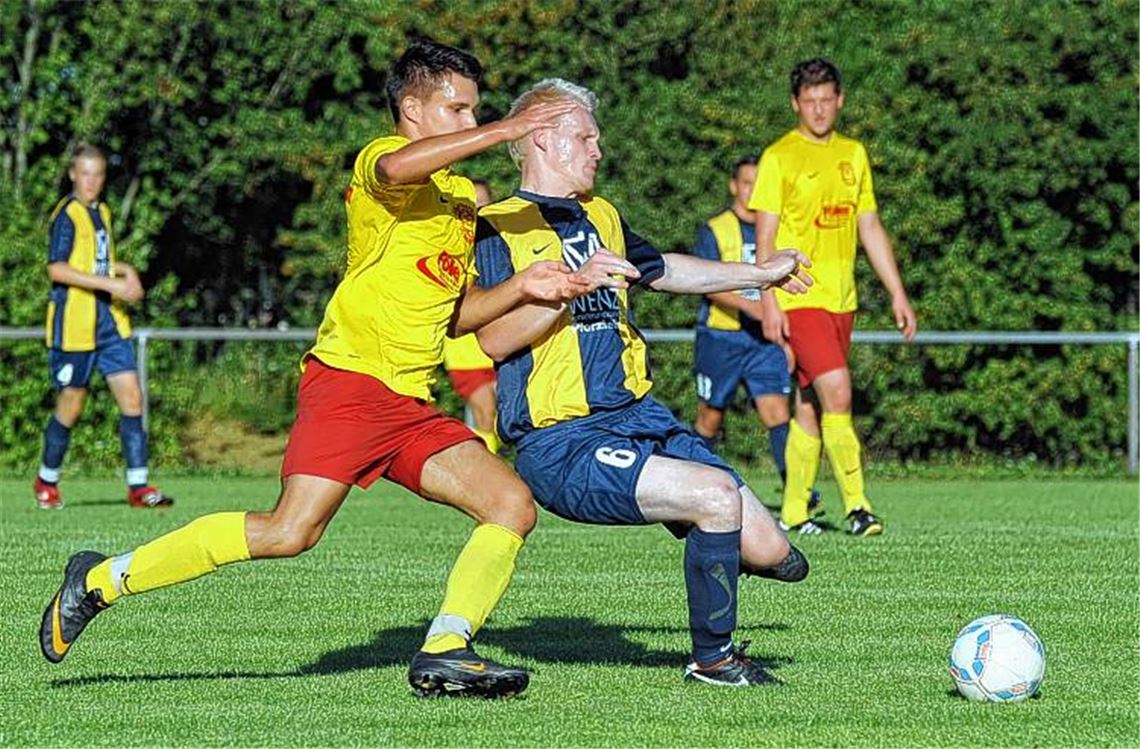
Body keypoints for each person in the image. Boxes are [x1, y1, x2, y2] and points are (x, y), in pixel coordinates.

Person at [39, 40, 591, 700]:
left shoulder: (458, 205)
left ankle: (446, 646)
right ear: (411, 108)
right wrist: (510, 128)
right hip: (352, 382)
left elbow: (458, 314)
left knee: (509, 504)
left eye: (478, 111)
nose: (473, 123)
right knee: (288, 531)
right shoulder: (382, 164)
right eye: (458, 108)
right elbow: (401, 165)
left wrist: (530, 286)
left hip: (410, 402)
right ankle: (99, 580)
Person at [474, 79, 814, 687]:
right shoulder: (496, 227)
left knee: (775, 555)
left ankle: (696, 521)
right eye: (585, 136)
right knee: (715, 497)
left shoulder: (602, 214)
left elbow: (664, 271)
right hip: (563, 441)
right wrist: (573, 286)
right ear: (543, 140)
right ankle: (714, 661)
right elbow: (491, 340)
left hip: (641, 418)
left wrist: (759, 273)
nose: (598, 149)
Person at [750, 58, 917, 537]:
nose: (819, 109)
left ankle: (795, 511)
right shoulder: (779, 156)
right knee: (838, 392)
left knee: (808, 404)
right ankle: (859, 506)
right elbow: (766, 238)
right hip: (800, 296)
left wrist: (897, 293)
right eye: (810, 101)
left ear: (839, 100)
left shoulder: (853, 153)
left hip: (842, 301)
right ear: (795, 104)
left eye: (827, 100)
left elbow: (869, 225)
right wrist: (769, 302)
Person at [33, 143, 172, 511]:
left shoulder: (103, 212)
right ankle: (47, 479)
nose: (91, 181)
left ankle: (139, 486)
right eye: (85, 173)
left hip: (110, 325)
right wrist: (113, 285)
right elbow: (57, 269)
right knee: (72, 404)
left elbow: (99, 264)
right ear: (73, 174)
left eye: (98, 174)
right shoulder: (67, 215)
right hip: (74, 327)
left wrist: (126, 272)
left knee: (133, 398)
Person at [691, 156, 821, 530]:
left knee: (778, 413)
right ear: (734, 186)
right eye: (747, 183)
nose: (752, 191)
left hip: (763, 340)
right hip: (722, 337)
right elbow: (708, 284)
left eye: (758, 184)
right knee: (710, 418)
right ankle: (695, 495)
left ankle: (797, 500)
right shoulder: (714, 229)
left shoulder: (773, 230)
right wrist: (755, 306)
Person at [442, 178, 501, 452]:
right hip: (464, 351)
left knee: (503, 418)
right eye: (471, 205)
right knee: (486, 413)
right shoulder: (450, 245)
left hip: (499, 347)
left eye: (483, 204)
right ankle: (486, 470)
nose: (477, 211)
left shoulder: (500, 246)